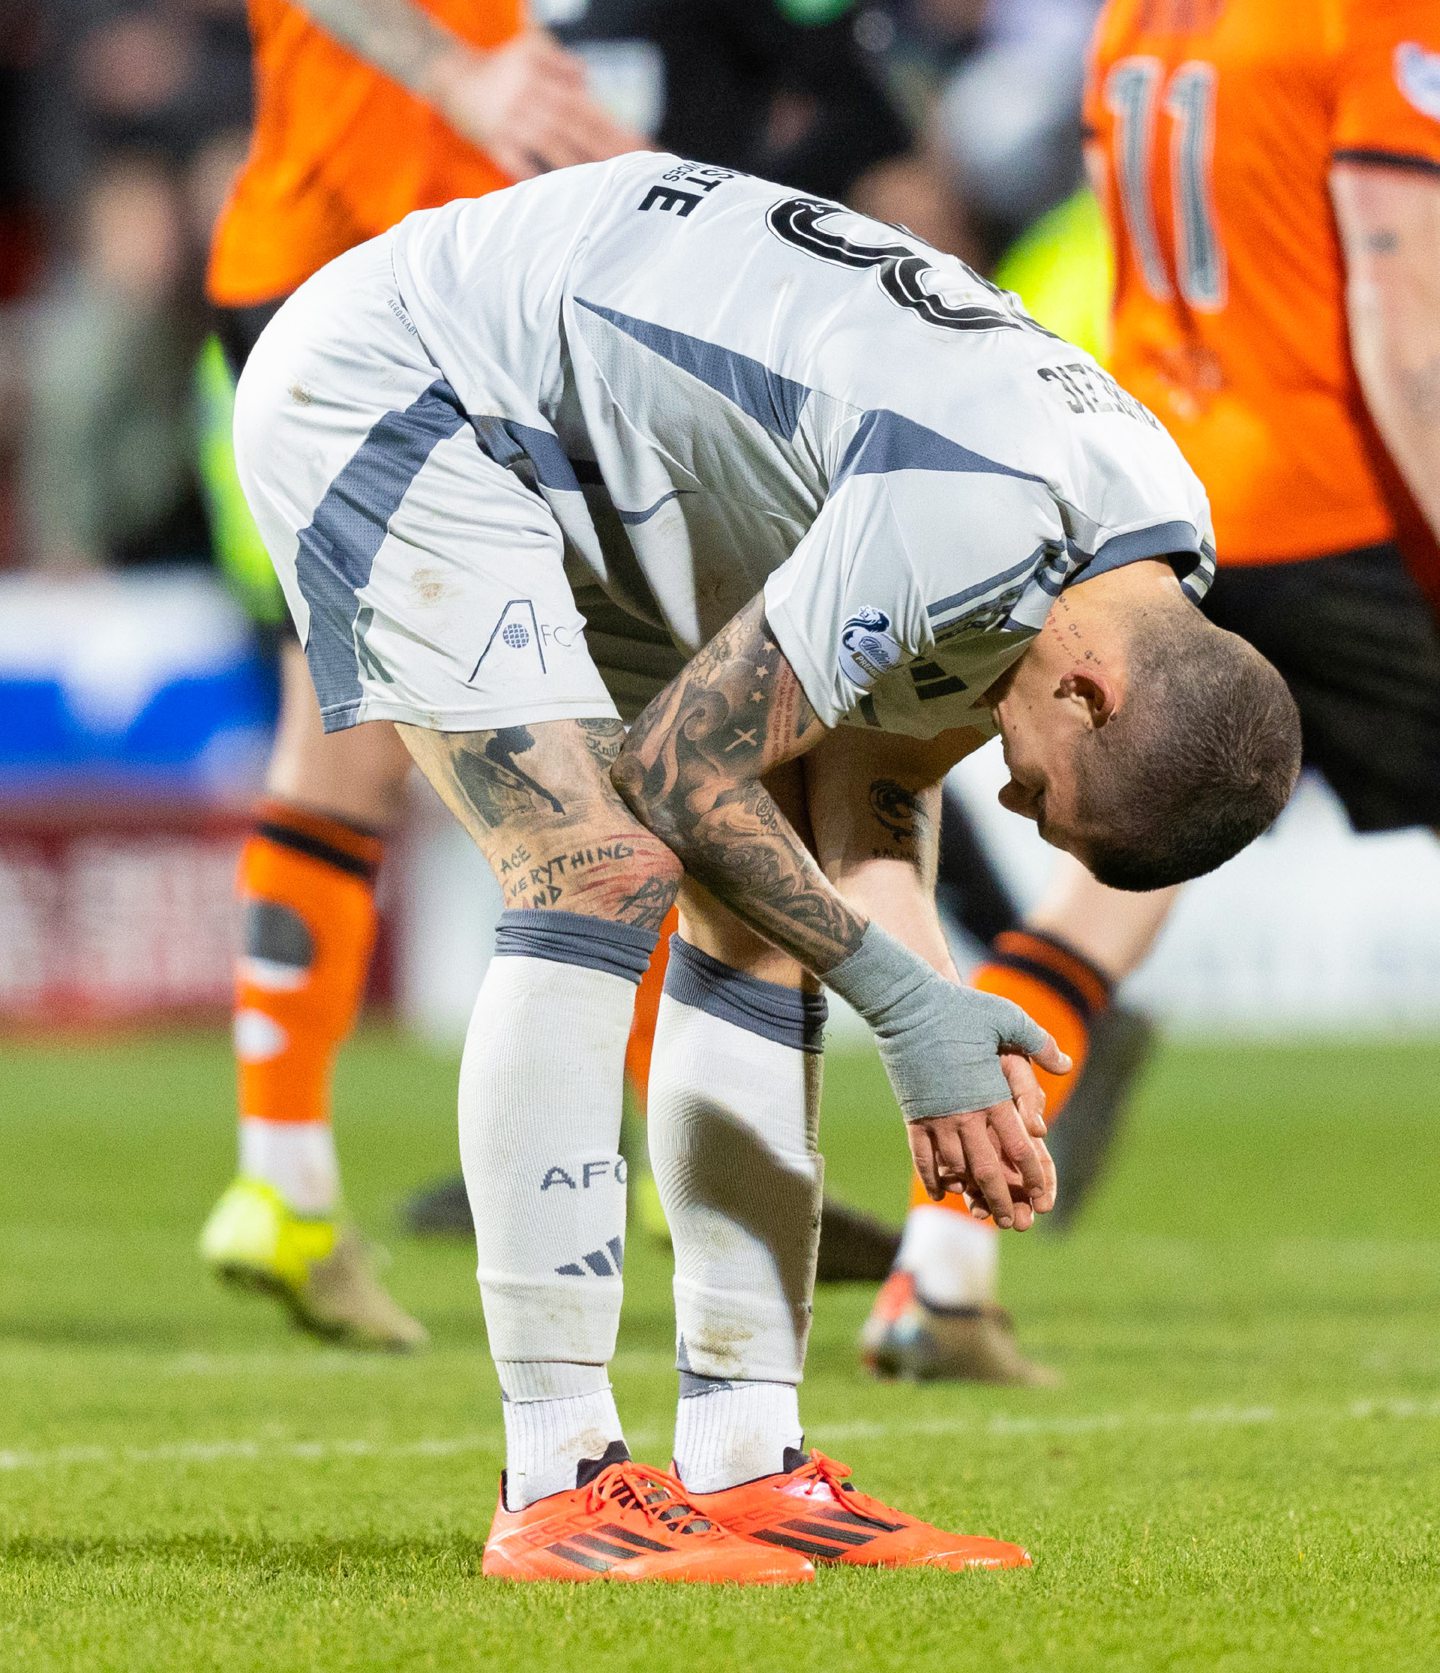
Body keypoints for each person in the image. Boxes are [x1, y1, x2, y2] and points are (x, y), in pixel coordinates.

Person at [231, 151, 1299, 1581]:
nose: (1012, 791)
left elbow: (863, 776)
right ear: (1098, 694)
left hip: (599, 446)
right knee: (593, 865)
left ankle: (745, 1461)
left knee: (761, 913)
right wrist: (912, 1009)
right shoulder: (982, 508)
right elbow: (677, 767)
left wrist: (934, 1021)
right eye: (1055, 800)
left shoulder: (1145, 543)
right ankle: (555, 1475)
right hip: (408, 379)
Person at [196, 0, 642, 1349]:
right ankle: (668, 1138)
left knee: (343, 743)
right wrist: (465, 73)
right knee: (596, 712)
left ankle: (284, 1181)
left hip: (371, 263)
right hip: (390, 282)